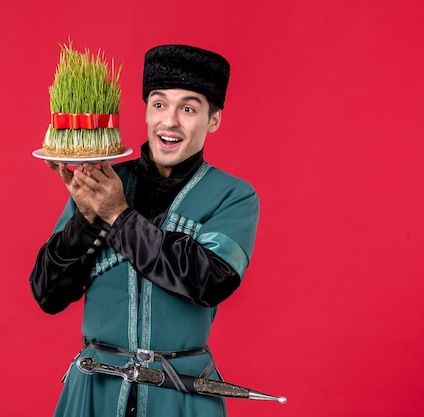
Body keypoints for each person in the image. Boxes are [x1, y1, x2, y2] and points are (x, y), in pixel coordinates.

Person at [30, 44, 260, 417]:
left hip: (182, 395)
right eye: (158, 104)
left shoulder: (233, 195)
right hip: (93, 391)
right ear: (147, 111)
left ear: (213, 119)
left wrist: (118, 215)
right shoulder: (101, 181)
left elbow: (209, 281)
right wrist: (85, 221)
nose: (169, 121)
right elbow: (47, 294)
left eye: (188, 108)